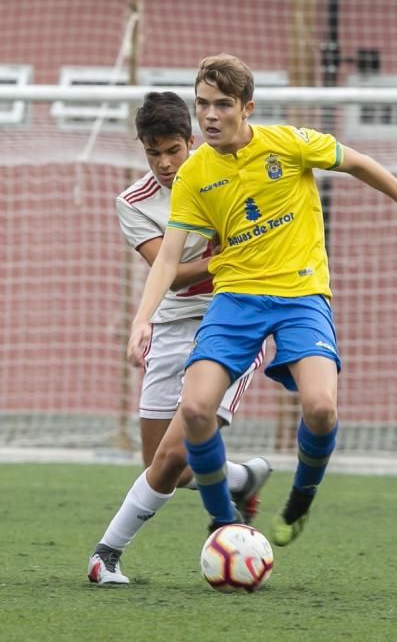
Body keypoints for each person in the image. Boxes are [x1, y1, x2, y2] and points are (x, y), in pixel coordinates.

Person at [127, 54, 397, 551]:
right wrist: (141, 320)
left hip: (302, 297)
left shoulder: (289, 143)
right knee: (195, 410)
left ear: (247, 107)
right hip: (236, 299)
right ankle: (223, 528)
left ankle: (301, 496)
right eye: (202, 104)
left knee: (321, 408)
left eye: (221, 104)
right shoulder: (195, 175)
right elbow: (168, 259)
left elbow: (359, 162)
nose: (210, 115)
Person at [88, 91, 270, 585]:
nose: (165, 163)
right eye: (153, 153)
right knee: (162, 464)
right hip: (169, 324)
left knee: (172, 455)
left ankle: (105, 555)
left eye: (173, 150)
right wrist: (237, 253)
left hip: (231, 323)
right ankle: (241, 477)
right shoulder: (133, 202)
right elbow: (171, 273)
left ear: (191, 141)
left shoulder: (227, 173)